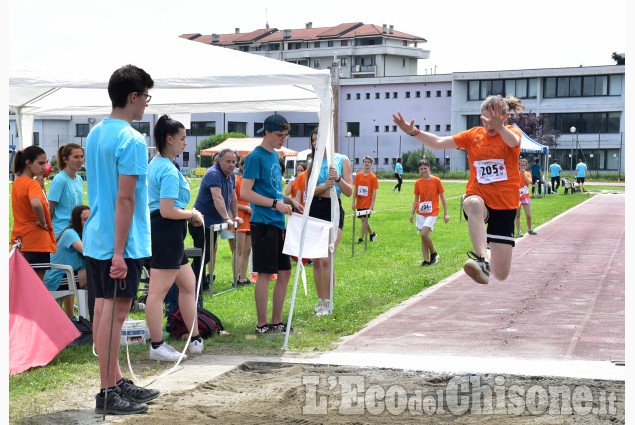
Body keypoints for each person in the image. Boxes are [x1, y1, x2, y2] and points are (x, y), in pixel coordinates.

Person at [83, 64, 159, 415]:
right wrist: (119, 253)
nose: (146, 103)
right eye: (145, 96)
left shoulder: (96, 132)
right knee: (114, 315)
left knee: (103, 309)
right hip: (119, 241)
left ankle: (114, 380)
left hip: (98, 234)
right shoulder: (131, 138)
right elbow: (126, 199)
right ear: (133, 96)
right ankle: (106, 391)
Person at [393, 94, 525, 285]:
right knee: (471, 203)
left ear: (504, 117)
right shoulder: (473, 136)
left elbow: (513, 142)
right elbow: (438, 143)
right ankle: (481, 260)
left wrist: (500, 127)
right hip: (481, 200)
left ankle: (488, 259)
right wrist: (413, 132)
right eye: (485, 119)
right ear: (481, 117)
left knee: (501, 274)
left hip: (505, 207)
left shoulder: (511, 132)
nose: (489, 124)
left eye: (494, 119)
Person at [146, 115, 205, 362]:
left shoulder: (158, 164)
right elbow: (167, 210)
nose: (185, 143)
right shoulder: (166, 169)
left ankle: (195, 337)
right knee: (158, 292)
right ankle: (157, 344)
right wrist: (192, 213)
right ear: (169, 139)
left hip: (170, 231)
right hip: (165, 230)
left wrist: (188, 215)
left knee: (188, 284)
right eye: (182, 139)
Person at [240, 114, 304, 333]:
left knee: (284, 273)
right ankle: (261, 324)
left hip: (278, 223)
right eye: (279, 135)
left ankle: (276, 321)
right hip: (263, 223)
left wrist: (290, 201)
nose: (282, 139)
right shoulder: (255, 157)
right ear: (266, 132)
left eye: (285, 135)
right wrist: (276, 203)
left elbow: (274, 191)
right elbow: (246, 192)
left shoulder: (275, 156)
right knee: (265, 274)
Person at [305, 127, 353, 316]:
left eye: (319, 139)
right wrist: (324, 186)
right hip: (315, 209)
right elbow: (310, 191)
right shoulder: (313, 163)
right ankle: (321, 300)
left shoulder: (341, 160)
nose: (316, 143)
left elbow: (348, 191)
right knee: (316, 258)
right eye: (314, 140)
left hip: (333, 208)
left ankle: (328, 301)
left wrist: (338, 178)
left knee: (327, 257)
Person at [189, 148, 242, 291]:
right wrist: (226, 218)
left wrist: (235, 215)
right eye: (228, 161)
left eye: (233, 162)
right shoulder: (213, 174)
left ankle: (195, 282)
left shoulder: (231, 176)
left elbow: (233, 197)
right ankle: (190, 283)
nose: (231, 165)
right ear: (219, 161)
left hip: (212, 223)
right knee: (203, 255)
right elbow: (217, 197)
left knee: (206, 255)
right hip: (200, 221)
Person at [11, 145, 57, 280]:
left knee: (22, 286)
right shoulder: (32, 184)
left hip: (20, 240)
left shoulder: (17, 182)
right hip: (36, 242)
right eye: (41, 163)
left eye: (46, 162)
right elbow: (36, 204)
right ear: (28, 163)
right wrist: (43, 222)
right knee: (36, 287)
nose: (45, 167)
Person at [43, 205, 90, 318]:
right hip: (56, 279)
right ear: (77, 222)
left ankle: (82, 319)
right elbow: (86, 252)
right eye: (85, 220)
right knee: (94, 273)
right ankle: (83, 320)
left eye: (91, 220)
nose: (89, 223)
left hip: (68, 276)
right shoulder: (70, 233)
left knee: (95, 280)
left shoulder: (84, 234)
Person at [411, 159, 449, 266]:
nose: (423, 170)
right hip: (421, 212)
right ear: (419, 170)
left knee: (424, 233)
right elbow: (416, 199)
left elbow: (442, 197)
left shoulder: (436, 180)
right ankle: (426, 260)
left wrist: (446, 213)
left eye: (425, 168)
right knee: (423, 236)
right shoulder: (418, 182)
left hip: (433, 211)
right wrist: (412, 213)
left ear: (429, 168)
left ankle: (434, 253)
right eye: (421, 169)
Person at [48, 143, 85, 237]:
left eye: (81, 156)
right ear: (65, 159)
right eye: (76, 157)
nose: (80, 160)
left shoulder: (79, 179)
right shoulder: (60, 180)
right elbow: (50, 208)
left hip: (76, 229)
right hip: (61, 231)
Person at [234, 157, 253, 285]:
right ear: (240, 166)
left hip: (251, 218)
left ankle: (244, 277)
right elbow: (232, 202)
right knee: (239, 249)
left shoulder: (253, 182)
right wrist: (246, 208)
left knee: (247, 250)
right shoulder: (236, 181)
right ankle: (236, 278)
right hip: (240, 217)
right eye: (244, 165)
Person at [352, 156, 378, 244]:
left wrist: (372, 205)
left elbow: (374, 192)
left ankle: (361, 239)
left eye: (368, 162)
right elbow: (355, 189)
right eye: (365, 162)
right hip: (359, 202)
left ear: (371, 164)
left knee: (364, 220)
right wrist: (353, 202)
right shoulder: (358, 176)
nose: (367, 164)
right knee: (364, 220)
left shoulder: (373, 177)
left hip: (367, 202)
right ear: (363, 163)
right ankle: (372, 234)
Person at [515, 158, 537, 237]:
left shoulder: (528, 173)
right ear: (519, 165)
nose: (523, 167)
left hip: (525, 196)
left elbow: (529, 182)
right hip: (517, 196)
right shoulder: (515, 173)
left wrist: (523, 174)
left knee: (528, 215)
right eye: (521, 165)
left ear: (526, 166)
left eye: (524, 165)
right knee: (517, 215)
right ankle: (519, 231)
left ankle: (529, 229)